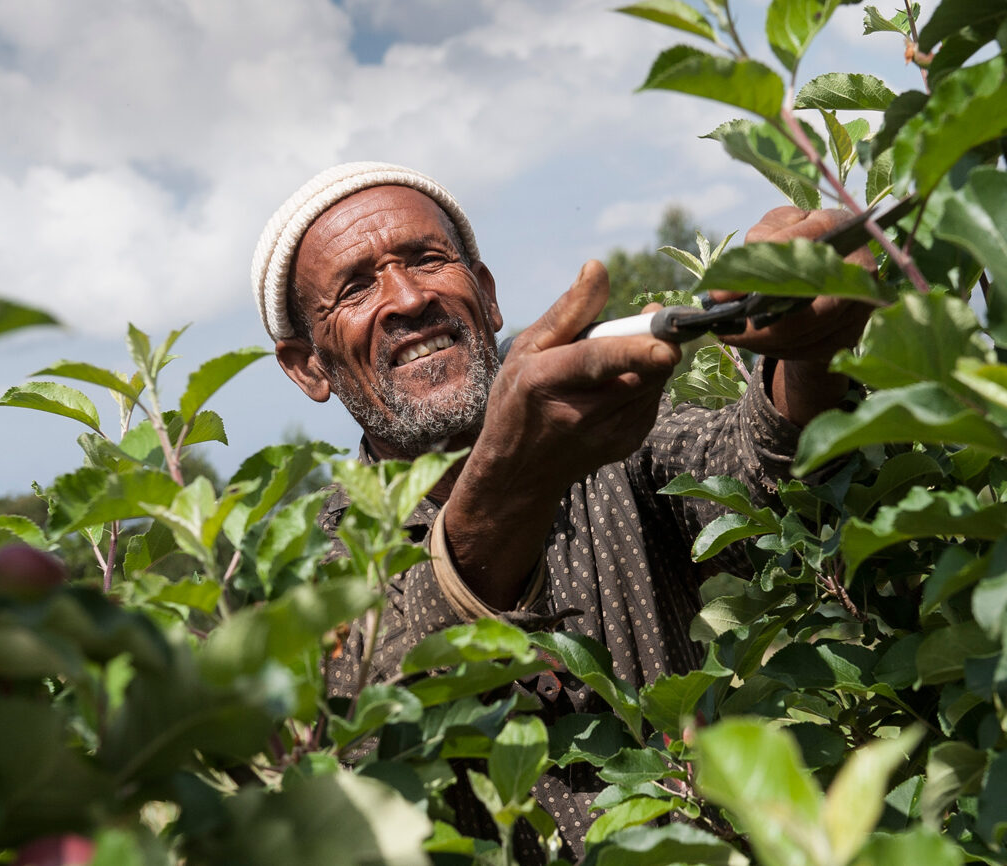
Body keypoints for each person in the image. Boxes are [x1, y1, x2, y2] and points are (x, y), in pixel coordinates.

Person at [251, 161, 872, 859]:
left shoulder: (606, 443)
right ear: (307, 366)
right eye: (356, 287)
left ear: (486, 297)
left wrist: (813, 353)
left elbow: (763, 477)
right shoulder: (309, 581)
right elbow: (365, 740)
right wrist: (507, 488)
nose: (407, 298)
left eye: (428, 260)